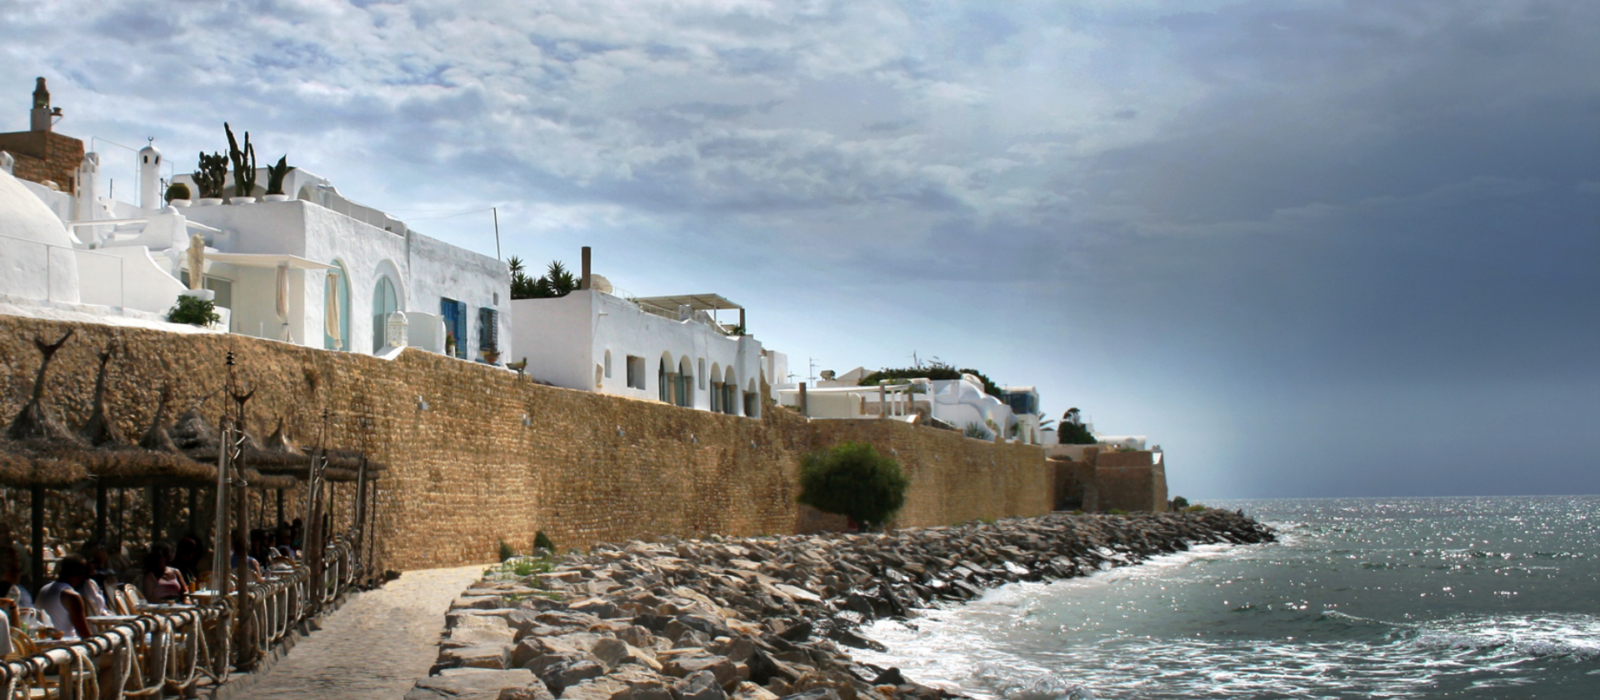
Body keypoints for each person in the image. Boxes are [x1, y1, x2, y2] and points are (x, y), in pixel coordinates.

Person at [37, 555, 93, 640]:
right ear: (81, 576)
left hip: (44, 644)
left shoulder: (43, 589)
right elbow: (85, 635)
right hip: (67, 646)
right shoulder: (72, 596)